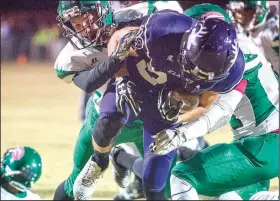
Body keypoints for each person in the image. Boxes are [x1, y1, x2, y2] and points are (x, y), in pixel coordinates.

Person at [73, 9, 245, 200]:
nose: (194, 73)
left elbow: (203, 105)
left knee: (154, 183)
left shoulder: (232, 73)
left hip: (166, 108)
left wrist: (177, 118)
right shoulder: (166, 28)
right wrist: (120, 77)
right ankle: (99, 161)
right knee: (111, 117)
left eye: (203, 74)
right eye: (193, 63)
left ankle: (120, 158)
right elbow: (119, 37)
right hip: (136, 83)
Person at [52, 1, 186, 200]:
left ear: (102, 10)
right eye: (75, 23)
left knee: (162, 186)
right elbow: (88, 83)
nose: (83, 26)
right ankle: (104, 159)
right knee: (75, 183)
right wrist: (116, 58)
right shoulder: (72, 55)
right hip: (104, 121)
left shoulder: (135, 17)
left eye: (86, 16)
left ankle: (121, 159)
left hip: (150, 116)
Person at [150, 4, 279, 200]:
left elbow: (221, 111)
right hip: (258, 146)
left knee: (181, 177)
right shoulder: (224, 51)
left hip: (264, 145)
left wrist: (181, 134)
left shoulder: (238, 57)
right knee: (230, 197)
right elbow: (202, 100)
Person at [228, 0, 279, 74]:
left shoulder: (272, 29)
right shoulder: (245, 32)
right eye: (237, 11)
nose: (239, 16)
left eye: (246, 10)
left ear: (259, 11)